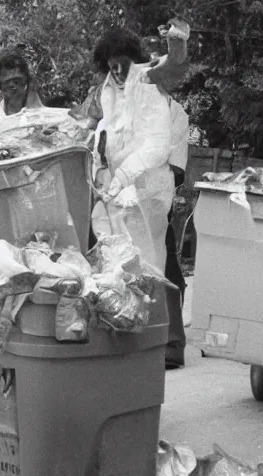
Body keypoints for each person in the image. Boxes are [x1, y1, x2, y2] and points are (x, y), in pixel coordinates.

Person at [89, 25, 188, 370]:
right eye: (111, 64)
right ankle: (135, 339)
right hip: (119, 195)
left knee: (156, 266)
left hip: (150, 193)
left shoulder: (149, 82)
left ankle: (166, 341)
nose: (117, 71)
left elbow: (174, 65)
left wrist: (178, 42)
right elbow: (101, 136)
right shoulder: (107, 95)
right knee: (124, 268)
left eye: (123, 63)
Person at [0, 48, 44, 119]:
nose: (12, 85)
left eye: (17, 81)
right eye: (7, 82)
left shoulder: (47, 116)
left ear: (26, 80)